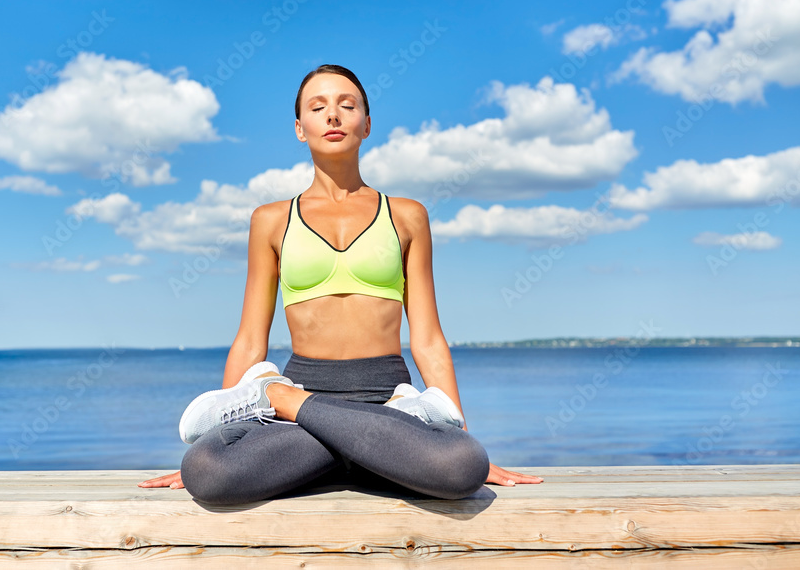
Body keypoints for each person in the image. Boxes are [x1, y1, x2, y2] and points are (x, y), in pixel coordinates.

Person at [139, 64, 542, 504]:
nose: (333, 115)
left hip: (388, 401)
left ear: (366, 125)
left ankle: (291, 406)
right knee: (205, 469)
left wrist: (454, 433)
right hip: (309, 396)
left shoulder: (407, 215)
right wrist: (220, 432)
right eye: (318, 107)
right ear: (300, 128)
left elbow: (427, 339)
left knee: (463, 466)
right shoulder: (270, 220)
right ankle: (323, 426)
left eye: (347, 105)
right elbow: (251, 340)